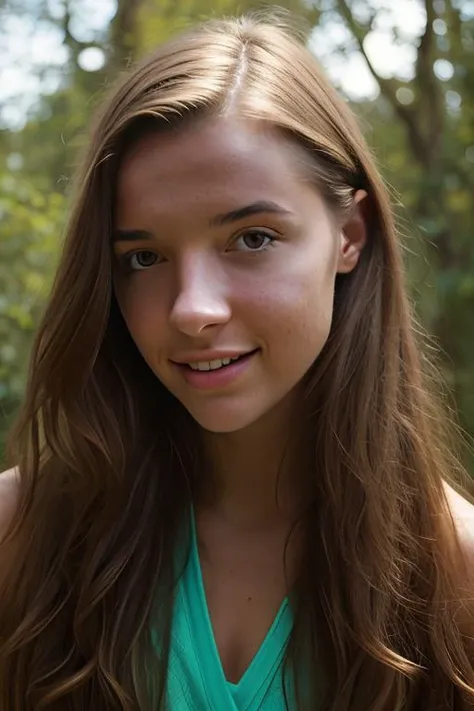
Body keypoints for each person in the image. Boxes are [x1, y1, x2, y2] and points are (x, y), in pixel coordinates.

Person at [0, 11, 473, 711]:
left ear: (349, 234)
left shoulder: (456, 575)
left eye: (251, 238)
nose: (192, 307)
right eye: (144, 257)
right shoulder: (19, 539)